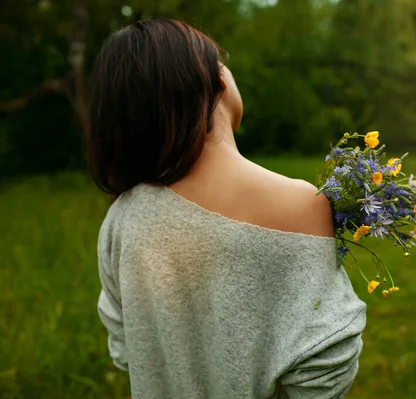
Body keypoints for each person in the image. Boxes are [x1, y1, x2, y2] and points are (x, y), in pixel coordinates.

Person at [87, 18, 366, 399]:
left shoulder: (121, 218)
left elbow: (126, 351)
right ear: (214, 79)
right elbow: (326, 371)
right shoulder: (300, 202)